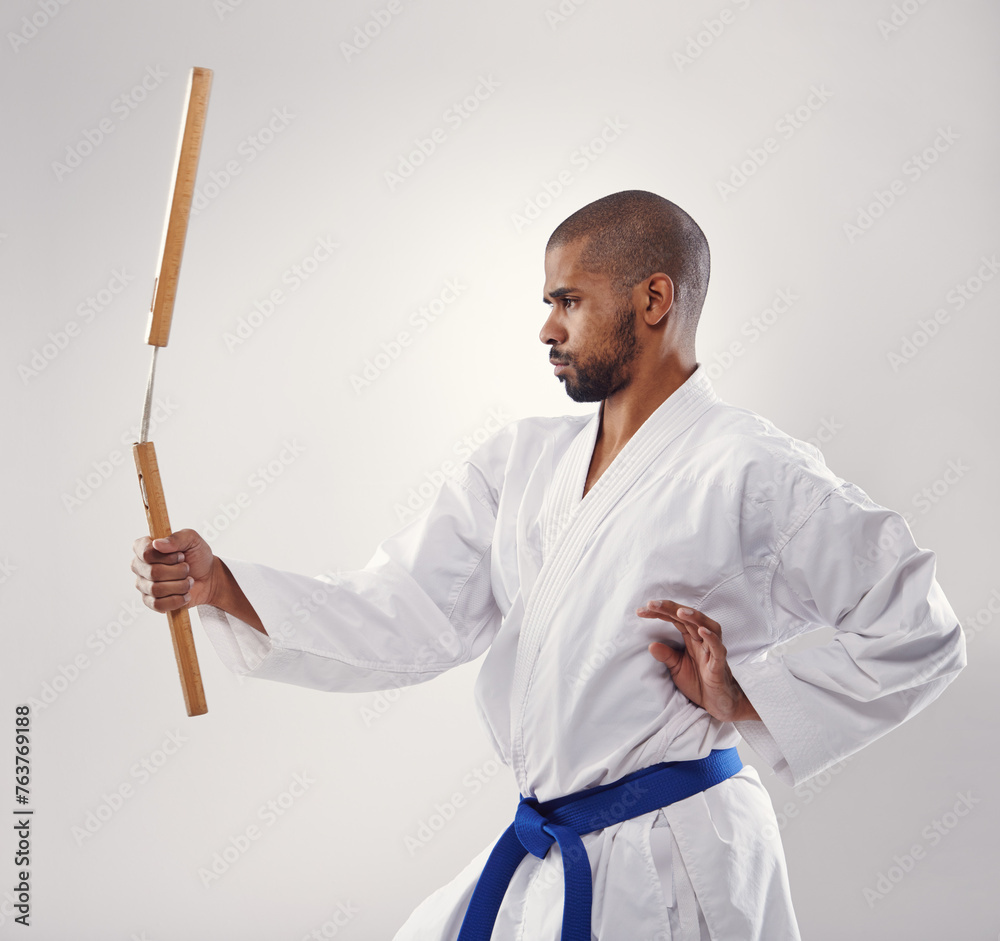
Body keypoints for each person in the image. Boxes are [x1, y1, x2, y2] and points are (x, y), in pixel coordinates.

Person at [131, 190, 966, 940]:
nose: (547, 327)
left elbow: (919, 625)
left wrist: (746, 695)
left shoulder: (750, 466)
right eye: (547, 303)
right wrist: (221, 583)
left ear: (652, 297)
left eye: (568, 300)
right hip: (552, 849)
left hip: (678, 865)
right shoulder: (523, 462)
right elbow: (408, 610)